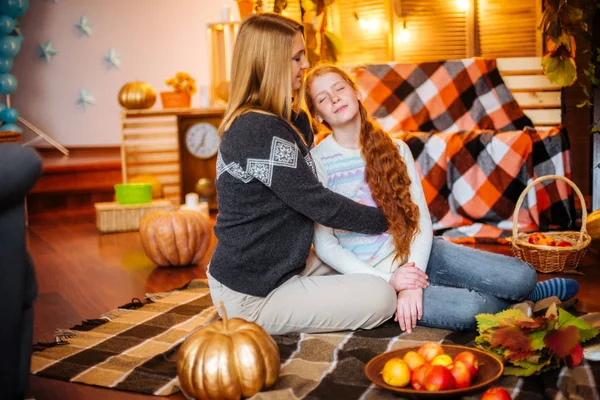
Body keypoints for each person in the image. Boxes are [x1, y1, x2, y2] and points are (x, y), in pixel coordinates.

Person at [305, 63, 579, 334]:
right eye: (322, 98)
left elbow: (420, 219)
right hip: (375, 282)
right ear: (317, 115)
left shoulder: (396, 148)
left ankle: (527, 292)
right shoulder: (318, 162)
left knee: (523, 276)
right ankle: (528, 301)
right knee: (471, 309)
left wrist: (412, 279)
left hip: (419, 253)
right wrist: (392, 281)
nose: (335, 98)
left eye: (339, 88)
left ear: (356, 92)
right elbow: (325, 245)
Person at [208, 13, 401, 336]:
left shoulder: (282, 121)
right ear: (271, 63)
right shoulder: (257, 130)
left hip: (285, 269)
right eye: (297, 57)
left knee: (356, 254)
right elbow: (320, 204)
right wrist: (388, 218)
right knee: (382, 297)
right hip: (255, 295)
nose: (306, 63)